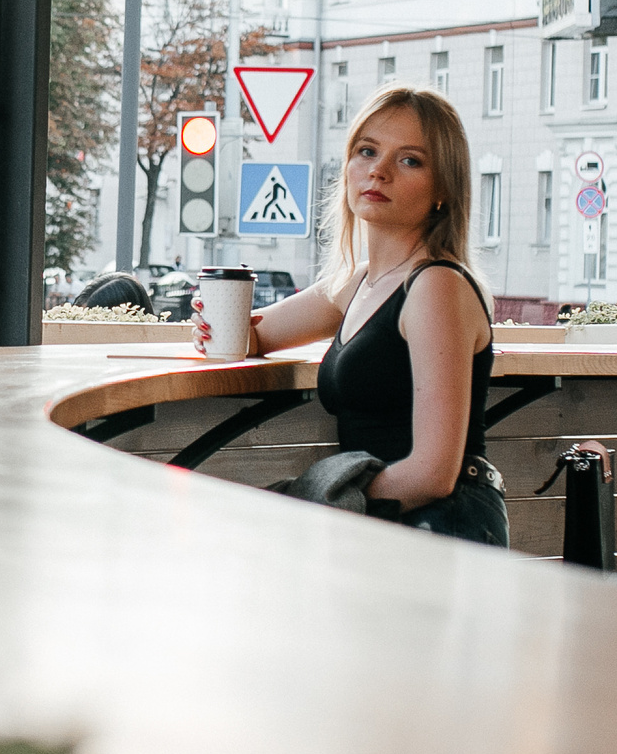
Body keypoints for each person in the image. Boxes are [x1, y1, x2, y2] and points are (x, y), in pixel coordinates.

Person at [197, 84, 505, 547]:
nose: (378, 171)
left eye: (409, 160)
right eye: (367, 151)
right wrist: (210, 319)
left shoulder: (435, 286)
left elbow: (434, 474)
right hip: (390, 519)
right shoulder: (359, 282)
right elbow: (251, 337)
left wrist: (319, 505)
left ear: (443, 188)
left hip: (439, 526)